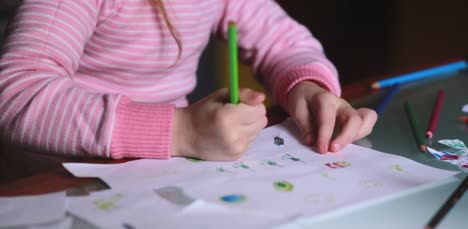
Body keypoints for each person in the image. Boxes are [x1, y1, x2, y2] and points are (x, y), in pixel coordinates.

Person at [0, 0, 377, 162]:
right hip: (64, 189)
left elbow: (284, 43)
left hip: (157, 180)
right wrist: (180, 131)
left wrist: (307, 87)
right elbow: (15, 95)